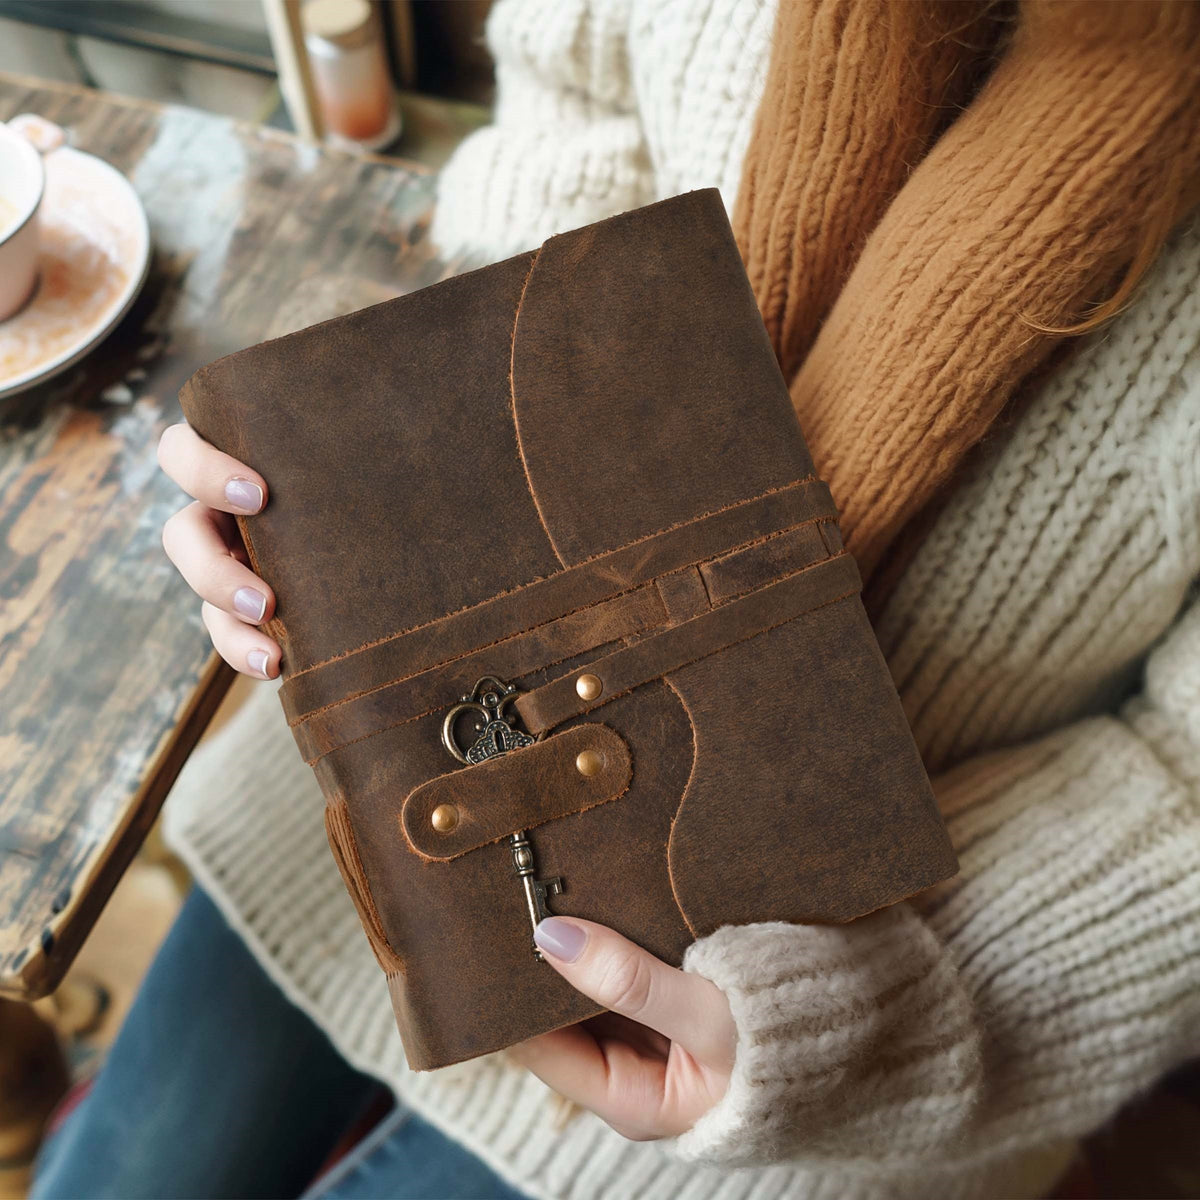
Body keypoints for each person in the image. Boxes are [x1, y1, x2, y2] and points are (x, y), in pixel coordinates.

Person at [33, 1, 1200, 1198]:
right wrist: (343, 481)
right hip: (386, 811)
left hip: (826, 1027)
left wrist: (849, 1026)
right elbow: (569, 99)